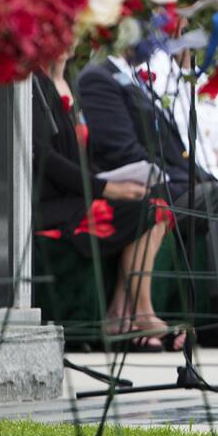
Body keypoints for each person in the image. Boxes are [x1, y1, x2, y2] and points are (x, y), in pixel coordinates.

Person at [77, 53, 218, 348]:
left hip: (177, 179)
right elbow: (121, 150)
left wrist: (199, 176)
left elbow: (172, 145)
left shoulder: (135, 75)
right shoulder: (98, 77)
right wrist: (183, 180)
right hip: (150, 186)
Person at [31, 55, 174, 351]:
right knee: (143, 209)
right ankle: (142, 312)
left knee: (156, 205)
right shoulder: (33, 83)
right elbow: (44, 157)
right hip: (49, 204)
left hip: (76, 194)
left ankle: (121, 312)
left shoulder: (68, 81)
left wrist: (116, 182)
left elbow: (82, 157)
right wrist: (105, 188)